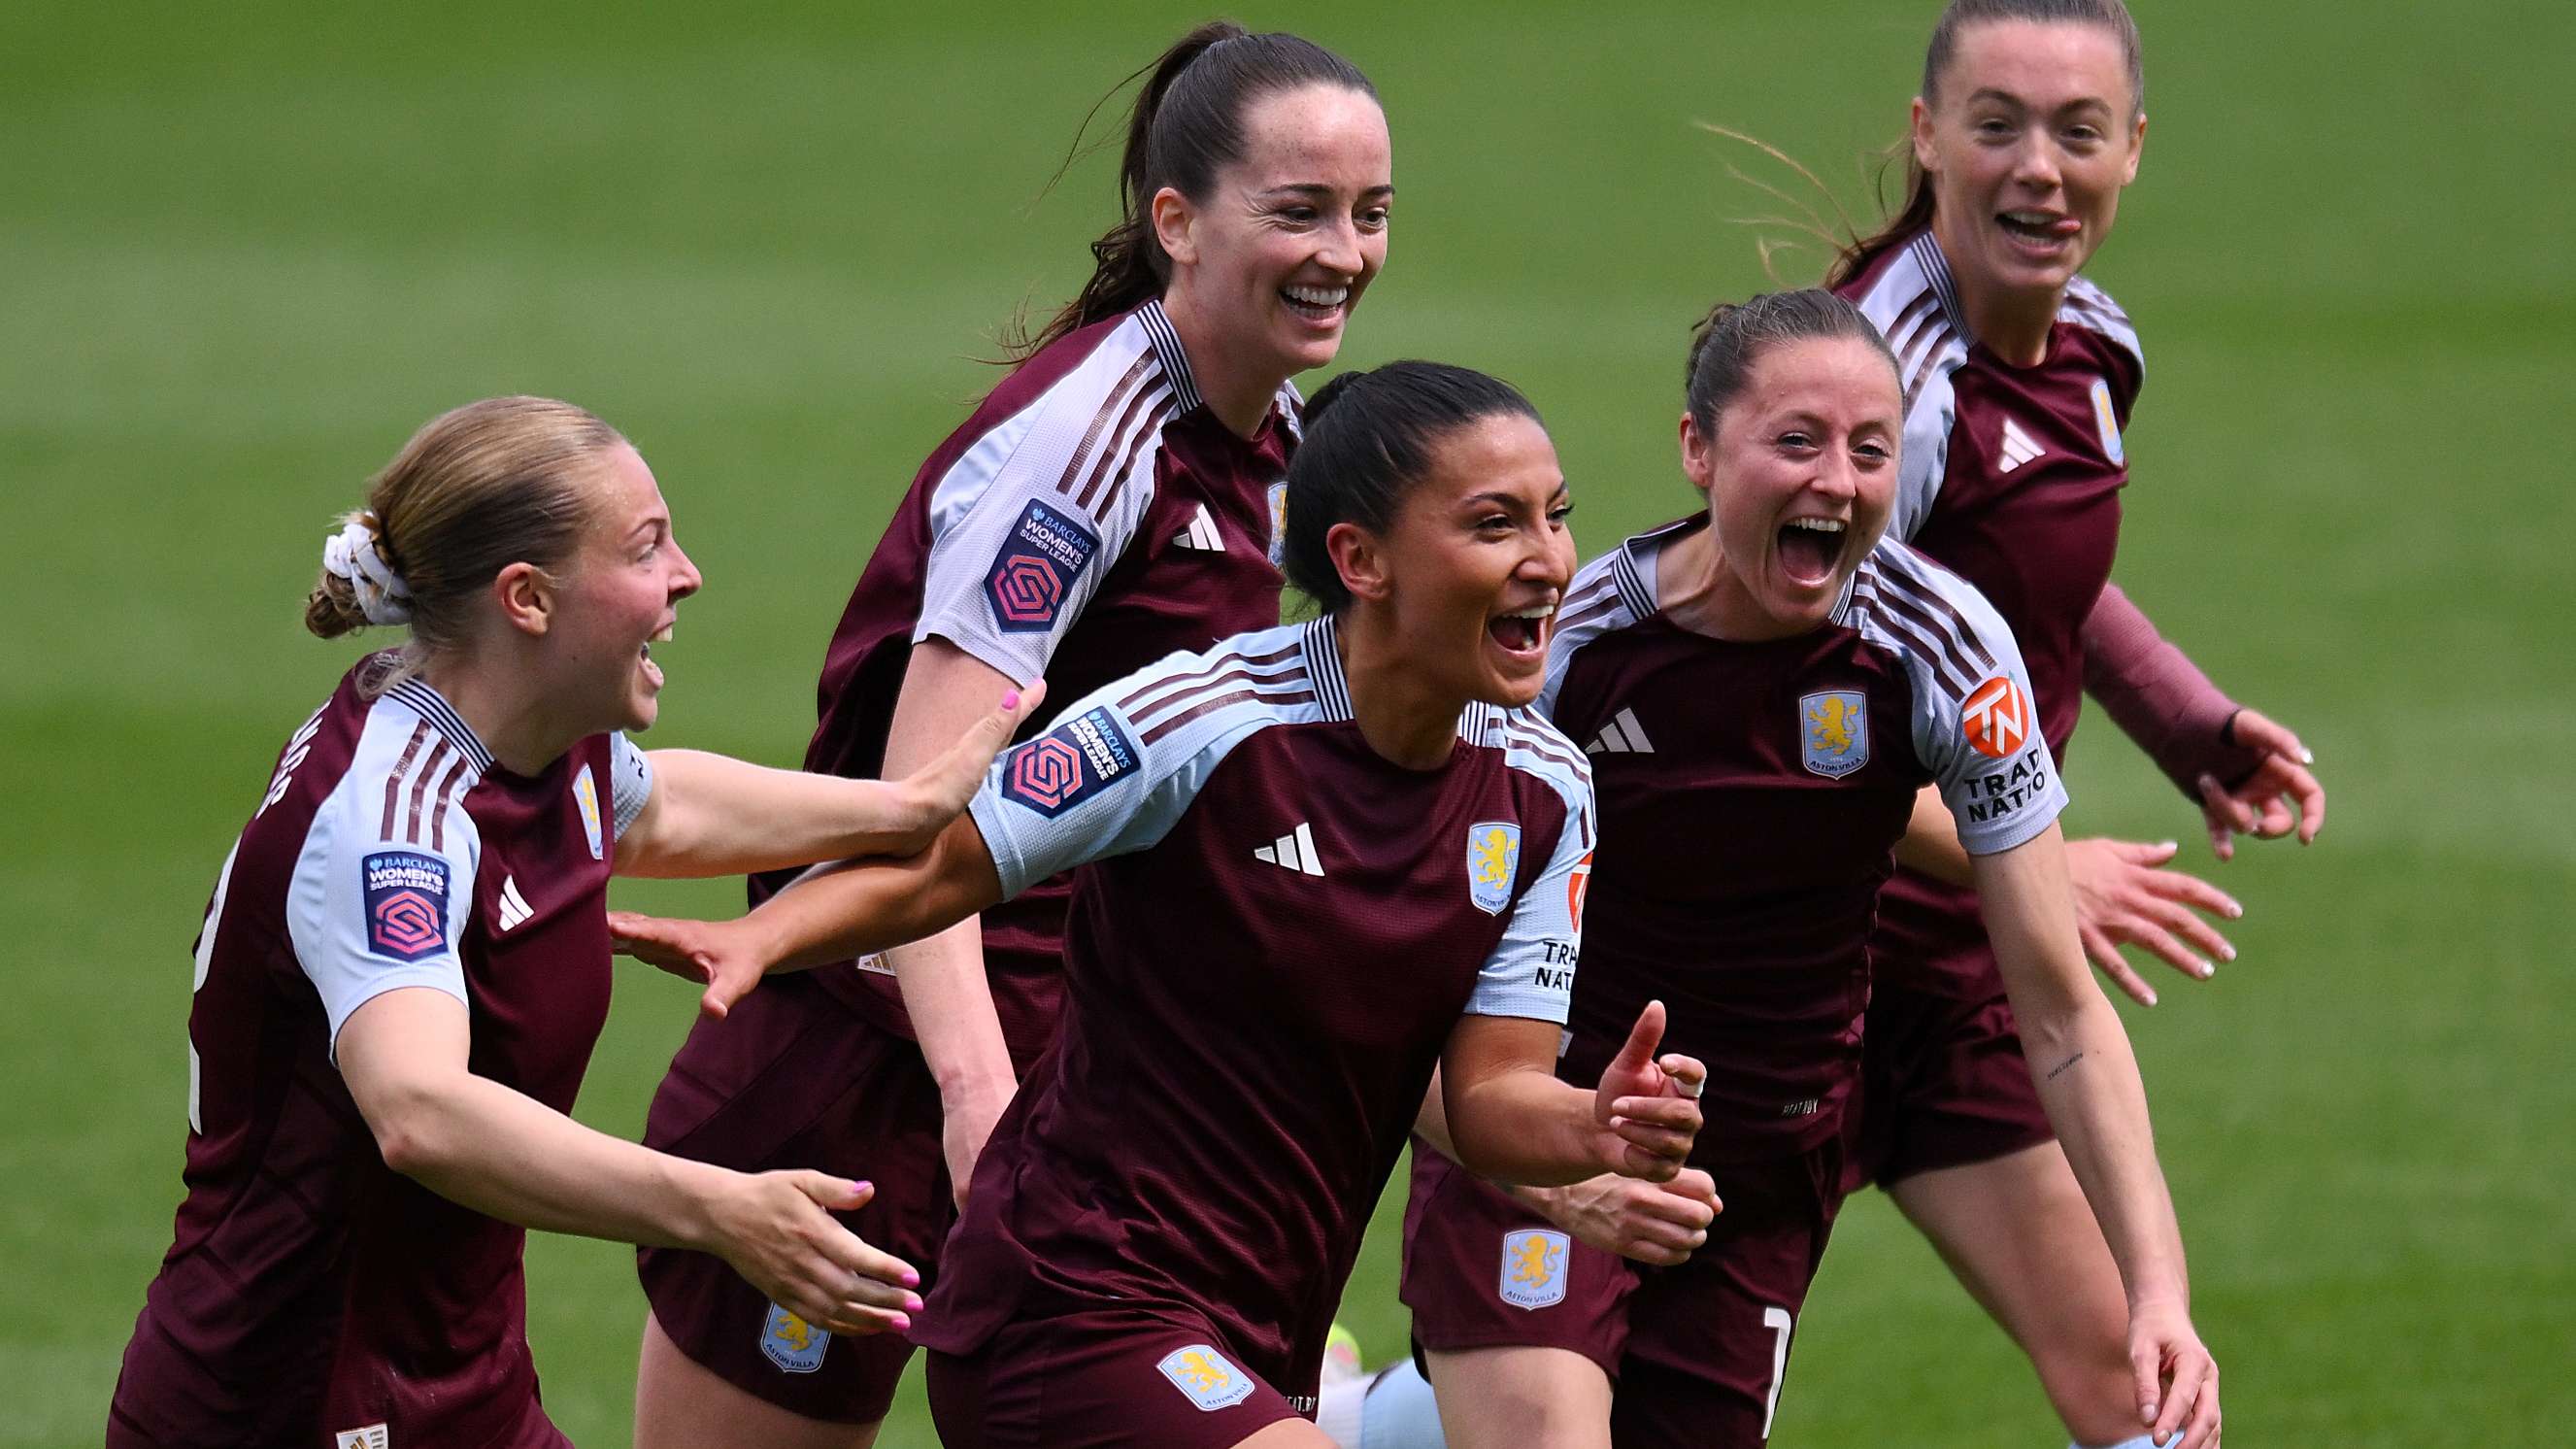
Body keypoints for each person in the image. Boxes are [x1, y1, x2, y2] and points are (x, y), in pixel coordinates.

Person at [611, 360, 1709, 1448]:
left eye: (1555, 517)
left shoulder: (1547, 790)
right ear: (1360, 560)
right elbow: (946, 860)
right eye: (1494, 525)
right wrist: (766, 932)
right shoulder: (1202, 717)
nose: (1548, 561)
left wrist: (1593, 1125)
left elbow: (1488, 1096)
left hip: (1254, 1332)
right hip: (1066, 1299)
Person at [627, 23, 1402, 1447]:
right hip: (873, 1074)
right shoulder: (1087, 444)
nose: (1344, 251)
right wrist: (975, 1093)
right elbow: (915, 802)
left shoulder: (1286, 446)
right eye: (1299, 210)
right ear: (1176, 221)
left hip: (1093, 1093)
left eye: (1369, 213)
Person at [105, 396, 1034, 1448]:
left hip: (460, 1385)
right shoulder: (392, 819)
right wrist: (719, 1210)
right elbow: (420, 1110)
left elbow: (662, 808)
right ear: (528, 599)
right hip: (293, 1400)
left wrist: (901, 809)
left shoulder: (537, 738)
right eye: (647, 549)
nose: (688, 574)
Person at [1383, 292, 2217, 1449]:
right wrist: (1546, 1171)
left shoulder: (1942, 649)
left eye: (1871, 449)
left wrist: (2157, 1291)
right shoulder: (1572, 648)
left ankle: (1367, 1425)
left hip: (1759, 1172)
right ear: (1696, 450)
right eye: (1795, 440)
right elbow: (1407, 973)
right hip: (1548, 1126)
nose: (1837, 479)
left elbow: (2060, 1010)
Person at [1827, 2, 2316, 1443]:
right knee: (1602, 1398)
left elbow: (2035, 582)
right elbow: (1782, 733)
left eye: (2077, 131)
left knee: (2134, 1382)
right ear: (1929, 138)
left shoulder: (2092, 347)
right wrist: (2034, 861)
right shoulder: (1882, 396)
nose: (2039, 168)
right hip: (1787, 971)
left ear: (2133, 152)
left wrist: (2184, 720)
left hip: (1959, 966)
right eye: (1997, 125)